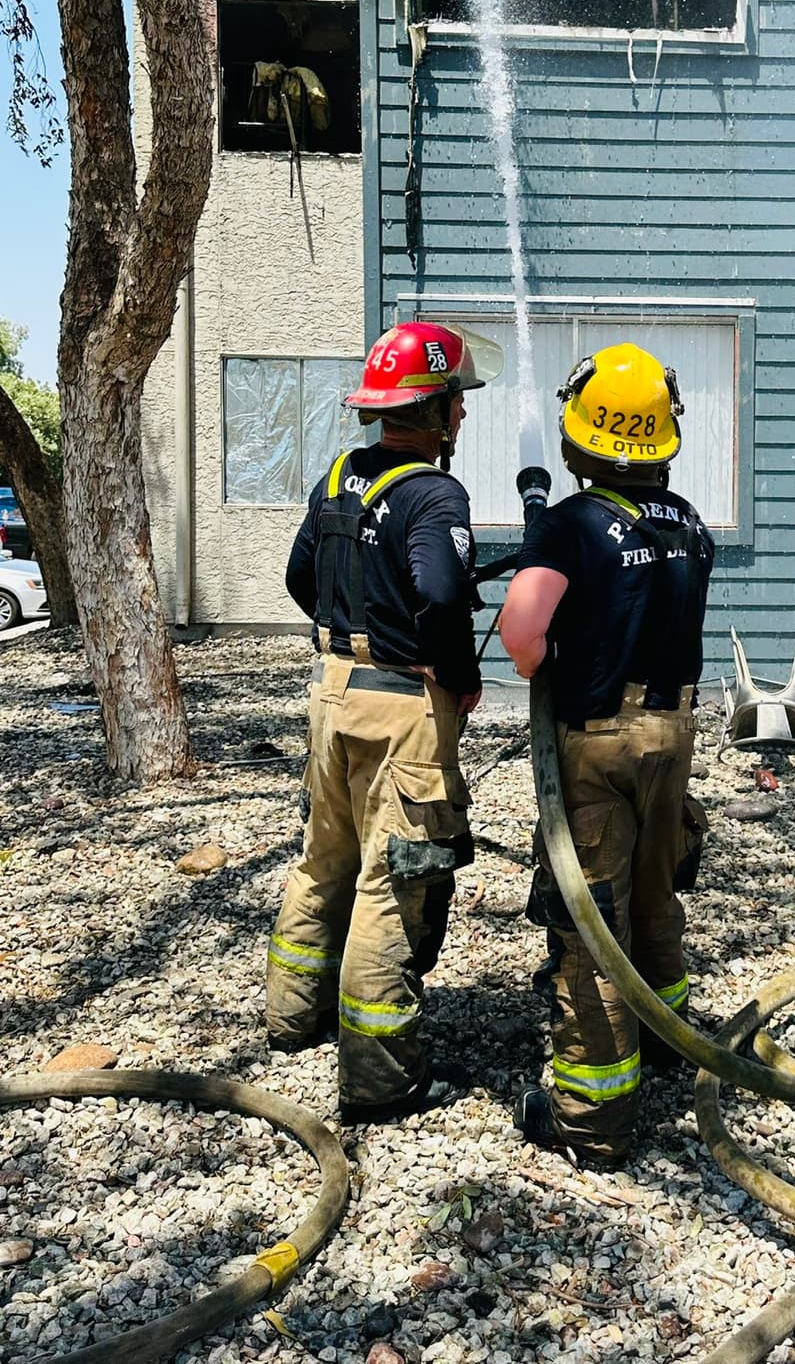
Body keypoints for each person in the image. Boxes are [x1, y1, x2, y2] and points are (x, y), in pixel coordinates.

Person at [265, 319, 502, 1125]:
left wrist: (354, 630)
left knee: (323, 858)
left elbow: (301, 576)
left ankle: (293, 1017)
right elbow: (438, 591)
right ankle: (379, 1077)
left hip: (331, 693)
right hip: (400, 707)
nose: (462, 413)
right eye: (456, 400)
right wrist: (453, 671)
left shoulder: (338, 477)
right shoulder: (435, 493)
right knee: (391, 884)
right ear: (432, 410)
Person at [500, 343, 714, 1166]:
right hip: (673, 731)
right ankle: (664, 1039)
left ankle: (592, 1116)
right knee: (656, 891)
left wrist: (551, 634)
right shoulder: (689, 523)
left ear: (579, 436)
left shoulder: (571, 525)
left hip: (597, 739)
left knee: (591, 917)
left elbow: (522, 637)